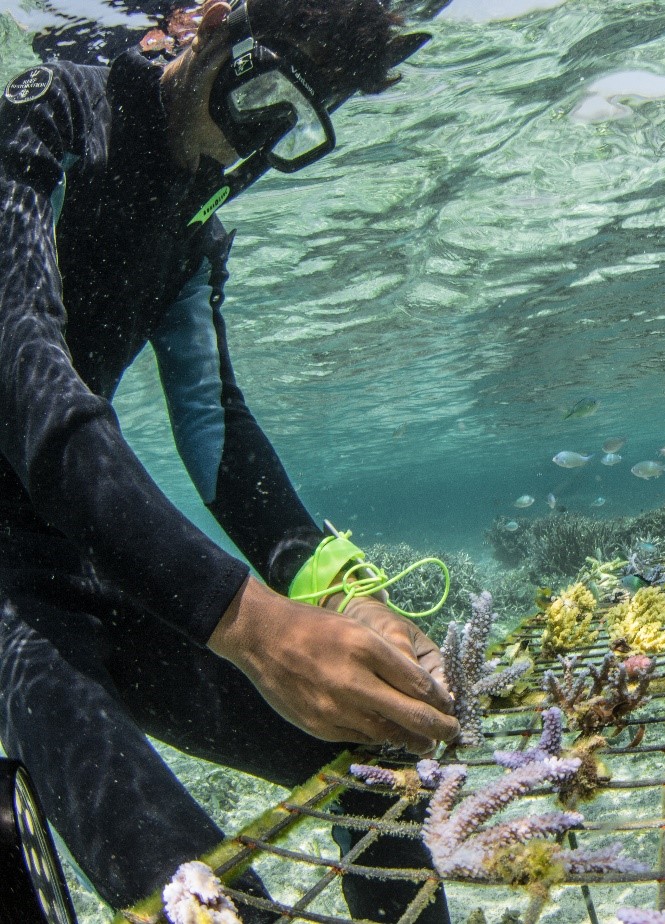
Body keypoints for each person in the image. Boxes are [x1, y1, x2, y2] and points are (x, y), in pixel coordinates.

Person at [0, 1, 458, 920]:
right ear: (212, 21)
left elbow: (219, 432)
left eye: (290, 118)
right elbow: (23, 373)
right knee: (206, 899)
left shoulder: (194, 225)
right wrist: (253, 625)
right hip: (16, 596)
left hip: (70, 551)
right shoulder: (48, 118)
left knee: (375, 768)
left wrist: (338, 592)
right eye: (263, 93)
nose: (250, 139)